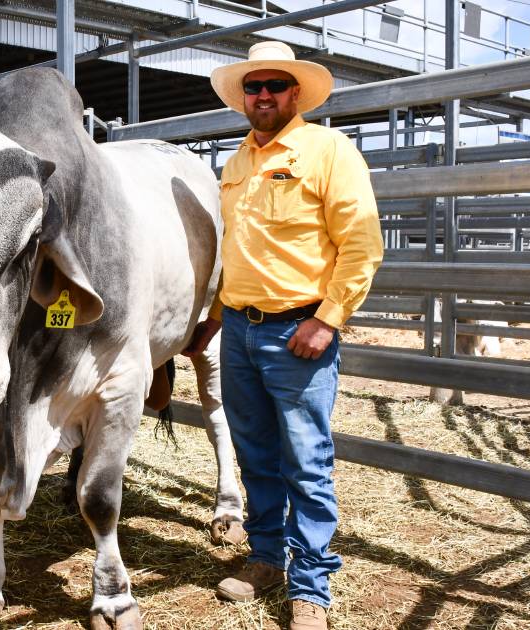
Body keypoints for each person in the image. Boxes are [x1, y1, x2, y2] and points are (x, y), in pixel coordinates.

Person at [184, 41, 383, 630]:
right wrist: (216, 318)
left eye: (274, 85)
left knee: (306, 459)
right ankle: (267, 556)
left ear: (296, 93)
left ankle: (312, 586)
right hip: (241, 331)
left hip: (300, 331)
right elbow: (238, 252)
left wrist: (327, 319)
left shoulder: (328, 152)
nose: (263, 95)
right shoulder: (237, 160)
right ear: (244, 96)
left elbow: (363, 245)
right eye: (254, 86)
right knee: (255, 453)